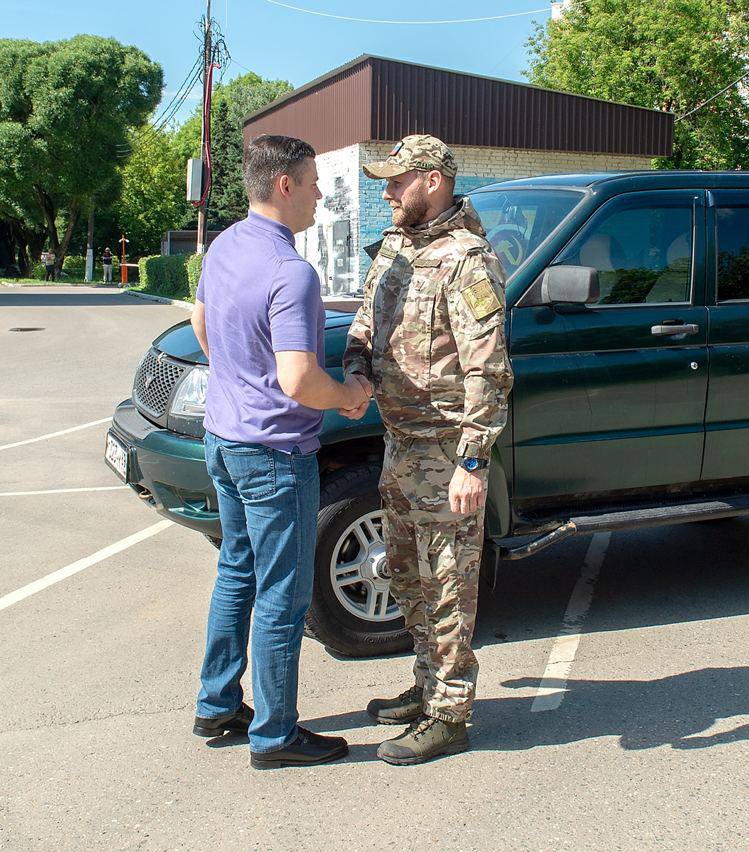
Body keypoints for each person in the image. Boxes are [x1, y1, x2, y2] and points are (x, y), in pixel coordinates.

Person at [190, 134, 373, 771]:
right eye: (314, 181)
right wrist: (349, 395)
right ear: (285, 185)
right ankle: (274, 734)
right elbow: (299, 379)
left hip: (224, 440)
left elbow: (202, 326)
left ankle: (217, 703)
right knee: (283, 596)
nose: (322, 194)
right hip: (273, 455)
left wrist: (240, 381)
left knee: (237, 572)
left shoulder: (224, 246)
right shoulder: (290, 272)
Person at [344, 135, 513, 765]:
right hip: (400, 444)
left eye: (396, 180)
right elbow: (365, 318)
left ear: (434, 180)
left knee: (448, 585)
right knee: (409, 576)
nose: (385, 191)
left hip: (445, 451)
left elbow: (489, 370)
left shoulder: (468, 261)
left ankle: (450, 714)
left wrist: (473, 460)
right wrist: (356, 365)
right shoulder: (395, 247)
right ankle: (425, 687)